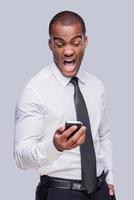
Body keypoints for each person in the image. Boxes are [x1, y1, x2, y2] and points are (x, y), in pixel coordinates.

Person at [14, 11, 116, 200]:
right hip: (59, 192)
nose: (68, 51)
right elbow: (21, 156)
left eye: (76, 43)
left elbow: (103, 135)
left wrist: (110, 178)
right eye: (60, 44)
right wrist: (55, 146)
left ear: (85, 42)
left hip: (101, 191)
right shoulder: (34, 90)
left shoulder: (96, 86)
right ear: (51, 45)